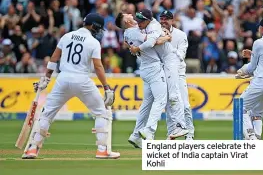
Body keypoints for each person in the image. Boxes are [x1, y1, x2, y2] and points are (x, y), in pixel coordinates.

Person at [22, 13, 120, 159]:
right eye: (98, 29)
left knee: (47, 114)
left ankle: (33, 148)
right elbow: (98, 67)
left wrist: (46, 78)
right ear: (94, 26)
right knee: (101, 112)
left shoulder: (67, 36)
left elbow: (54, 58)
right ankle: (102, 149)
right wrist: (106, 87)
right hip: (82, 80)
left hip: (62, 79)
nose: (99, 32)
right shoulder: (93, 42)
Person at [130, 9, 189, 140]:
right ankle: (171, 130)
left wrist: (137, 48)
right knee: (164, 100)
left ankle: (181, 126)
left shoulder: (155, 27)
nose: (138, 22)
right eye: (161, 18)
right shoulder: (144, 28)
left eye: (166, 18)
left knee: (173, 94)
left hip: (171, 60)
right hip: (161, 64)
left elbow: (155, 42)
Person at [115, 13, 170, 144]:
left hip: (145, 68)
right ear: (127, 21)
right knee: (161, 100)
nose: (130, 13)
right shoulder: (134, 32)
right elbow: (153, 41)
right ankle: (149, 130)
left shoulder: (127, 34)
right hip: (153, 68)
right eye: (126, 15)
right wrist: (167, 37)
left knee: (147, 104)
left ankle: (135, 135)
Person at [159, 10, 195, 140]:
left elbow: (181, 56)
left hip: (178, 73)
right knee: (169, 106)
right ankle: (171, 133)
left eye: (166, 19)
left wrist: (167, 41)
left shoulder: (180, 35)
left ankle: (189, 134)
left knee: (184, 104)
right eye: (161, 18)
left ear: (172, 21)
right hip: (162, 74)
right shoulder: (156, 34)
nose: (163, 21)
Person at [236, 18, 263, 140]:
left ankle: (251, 136)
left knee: (240, 107)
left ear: (261, 29)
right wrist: (253, 54)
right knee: (257, 113)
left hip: (262, 81)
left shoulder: (259, 42)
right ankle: (257, 137)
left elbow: (252, 67)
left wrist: (242, 71)